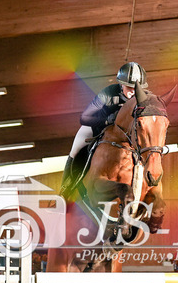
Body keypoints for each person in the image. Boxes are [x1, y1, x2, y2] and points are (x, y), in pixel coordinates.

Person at [59, 61, 149, 199]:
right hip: (98, 127)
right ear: (121, 84)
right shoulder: (108, 93)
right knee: (75, 150)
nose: (133, 91)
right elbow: (85, 117)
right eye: (129, 87)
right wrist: (107, 120)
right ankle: (65, 189)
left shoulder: (142, 97)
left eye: (136, 88)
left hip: (127, 135)